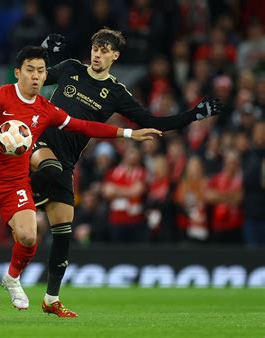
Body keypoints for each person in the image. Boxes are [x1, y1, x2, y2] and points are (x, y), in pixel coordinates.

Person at [0, 46, 161, 319]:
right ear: (18, 73)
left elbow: (84, 126)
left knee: (28, 235)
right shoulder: (3, 95)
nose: (36, 76)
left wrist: (127, 133)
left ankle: (12, 277)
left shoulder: (46, 109)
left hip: (15, 184)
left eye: (41, 71)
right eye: (30, 70)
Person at [32, 28, 223, 317]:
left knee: (63, 234)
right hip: (40, 145)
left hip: (67, 162)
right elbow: (30, 77)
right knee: (48, 167)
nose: (98, 53)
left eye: (105, 49)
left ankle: (51, 298)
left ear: (115, 56)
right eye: (96, 47)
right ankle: (22, 195)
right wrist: (43, 50)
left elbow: (152, 122)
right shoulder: (71, 68)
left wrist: (194, 114)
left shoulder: (117, 93)